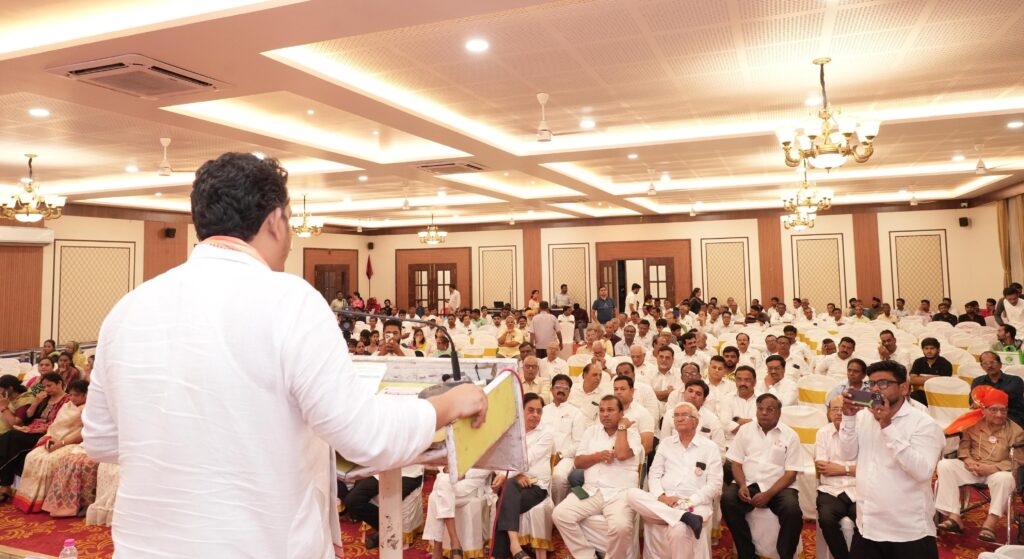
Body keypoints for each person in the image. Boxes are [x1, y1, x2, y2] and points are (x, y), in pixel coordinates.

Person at [82, 152, 487, 558]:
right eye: (290, 221)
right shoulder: (287, 298)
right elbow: (365, 434)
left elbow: (100, 441)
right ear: (275, 221)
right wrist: (448, 403)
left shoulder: (128, 308)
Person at [840, 360, 945, 559]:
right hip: (867, 525)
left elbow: (922, 472)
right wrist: (849, 417)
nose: (875, 389)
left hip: (907, 531)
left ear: (904, 388)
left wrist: (887, 426)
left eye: (883, 383)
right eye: (871, 384)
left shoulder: (924, 424)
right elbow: (847, 454)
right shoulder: (864, 417)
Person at [626, 402, 723, 559]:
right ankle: (683, 517)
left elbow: (715, 485)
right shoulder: (666, 444)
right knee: (631, 494)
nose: (679, 419)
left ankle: (682, 516)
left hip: (694, 504)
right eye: (676, 415)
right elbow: (654, 474)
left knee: (678, 529)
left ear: (696, 421)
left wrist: (688, 502)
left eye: (684, 415)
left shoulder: (710, 447)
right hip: (665, 501)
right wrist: (662, 497)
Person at [552, 395, 641, 559]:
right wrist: (598, 456)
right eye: (601, 410)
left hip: (619, 494)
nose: (605, 414)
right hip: (591, 491)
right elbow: (578, 462)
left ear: (621, 413)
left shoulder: (633, 434)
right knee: (560, 514)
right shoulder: (591, 432)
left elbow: (621, 454)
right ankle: (587, 556)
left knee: (621, 527)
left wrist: (622, 428)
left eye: (610, 410)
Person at [936, 386, 1024, 542]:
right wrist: (968, 461)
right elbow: (964, 447)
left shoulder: (1016, 431)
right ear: (984, 410)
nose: (999, 414)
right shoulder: (973, 424)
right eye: (994, 410)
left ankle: (991, 523)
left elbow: (1017, 459)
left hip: (997, 472)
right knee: (945, 465)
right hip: (972, 468)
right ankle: (954, 517)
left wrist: (991, 468)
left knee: (1006, 479)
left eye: (1003, 410)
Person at [721, 393, 803, 559]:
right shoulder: (745, 430)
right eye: (760, 409)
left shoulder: (790, 435)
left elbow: (791, 474)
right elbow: (736, 463)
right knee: (728, 500)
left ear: (779, 412)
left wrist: (768, 494)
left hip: (779, 487)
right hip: (749, 482)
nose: (764, 413)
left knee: (792, 511)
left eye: (770, 409)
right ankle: (747, 553)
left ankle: (785, 554)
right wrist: (742, 485)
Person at [491, 393, 555, 559]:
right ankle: (515, 547)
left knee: (502, 501)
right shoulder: (511, 431)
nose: (535, 415)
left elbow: (528, 458)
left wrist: (506, 477)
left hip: (536, 487)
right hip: (513, 484)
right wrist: (513, 477)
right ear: (521, 410)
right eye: (531, 410)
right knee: (509, 488)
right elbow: (499, 459)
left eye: (539, 411)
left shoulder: (546, 433)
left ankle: (501, 554)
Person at [13, 379, 88, 513]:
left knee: (48, 461)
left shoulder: (88, 409)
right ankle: (28, 499)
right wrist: (50, 439)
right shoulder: (66, 405)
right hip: (54, 438)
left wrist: (61, 443)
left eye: (76, 395)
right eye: (71, 394)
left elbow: (83, 432)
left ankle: (45, 501)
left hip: (73, 442)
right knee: (32, 456)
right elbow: (55, 426)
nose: (72, 398)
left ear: (86, 395)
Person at [0, 373, 70, 502]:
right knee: (7, 439)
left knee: (10, 437)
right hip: (31, 429)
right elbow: (28, 417)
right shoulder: (44, 398)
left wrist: (34, 429)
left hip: (46, 433)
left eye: (49, 386)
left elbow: (61, 422)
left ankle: (5, 486)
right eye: (44, 386)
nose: (46, 389)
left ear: (59, 383)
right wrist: (36, 402)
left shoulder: (67, 400)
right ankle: (5, 486)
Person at [815, 395, 859, 559]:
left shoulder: (861, 432)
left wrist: (839, 469)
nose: (839, 413)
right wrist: (851, 469)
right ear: (828, 412)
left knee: (866, 521)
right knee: (826, 520)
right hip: (830, 490)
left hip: (858, 489)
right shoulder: (823, 433)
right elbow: (823, 467)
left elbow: (867, 469)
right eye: (835, 409)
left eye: (843, 409)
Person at [972, 352, 1024, 428]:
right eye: (985, 363)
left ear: (1000, 364)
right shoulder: (977, 381)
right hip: (985, 418)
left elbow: (1003, 399)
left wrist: (983, 399)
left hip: (1011, 417)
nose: (989, 366)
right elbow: (973, 402)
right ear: (982, 366)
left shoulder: (1015, 380)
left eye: (992, 362)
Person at [909, 337, 953, 405]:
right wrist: (935, 378)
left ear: (938, 350)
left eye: (932, 348)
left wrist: (920, 379)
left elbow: (943, 383)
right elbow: (912, 380)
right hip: (921, 394)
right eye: (926, 348)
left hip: (938, 394)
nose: (929, 351)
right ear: (923, 350)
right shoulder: (918, 362)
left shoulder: (945, 364)